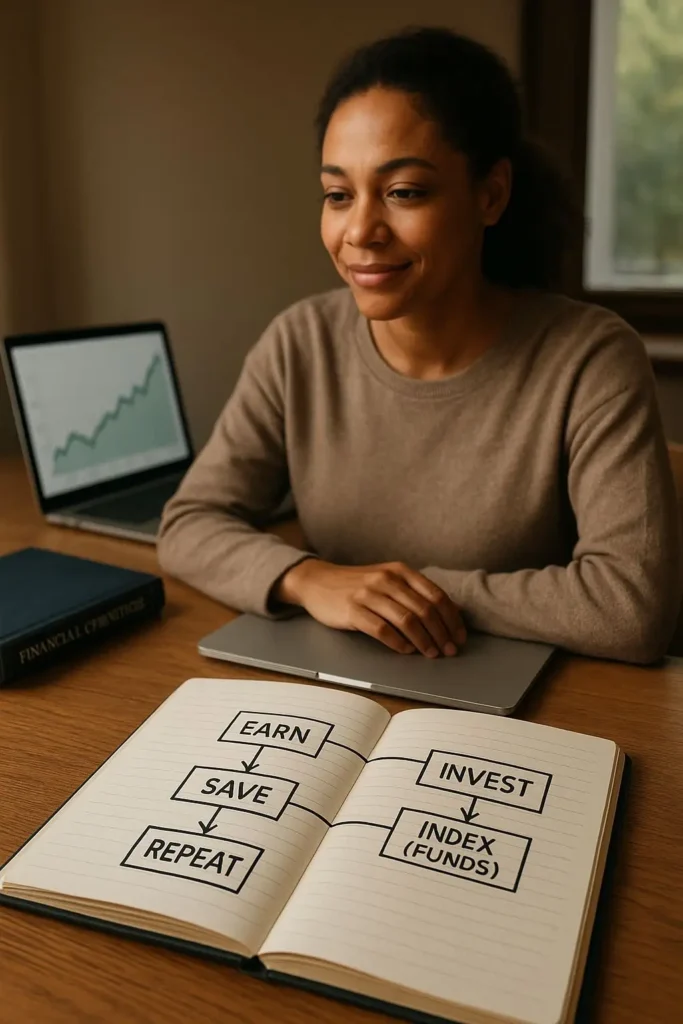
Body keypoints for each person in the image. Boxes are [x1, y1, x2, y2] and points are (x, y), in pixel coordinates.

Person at [158, 26, 682, 664]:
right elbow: (188, 524)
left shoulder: (591, 359)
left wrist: (412, 595)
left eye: (404, 192)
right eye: (337, 195)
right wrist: (313, 580)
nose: (360, 231)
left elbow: (631, 606)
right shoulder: (300, 343)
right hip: (337, 686)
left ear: (490, 195)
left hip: (529, 712)